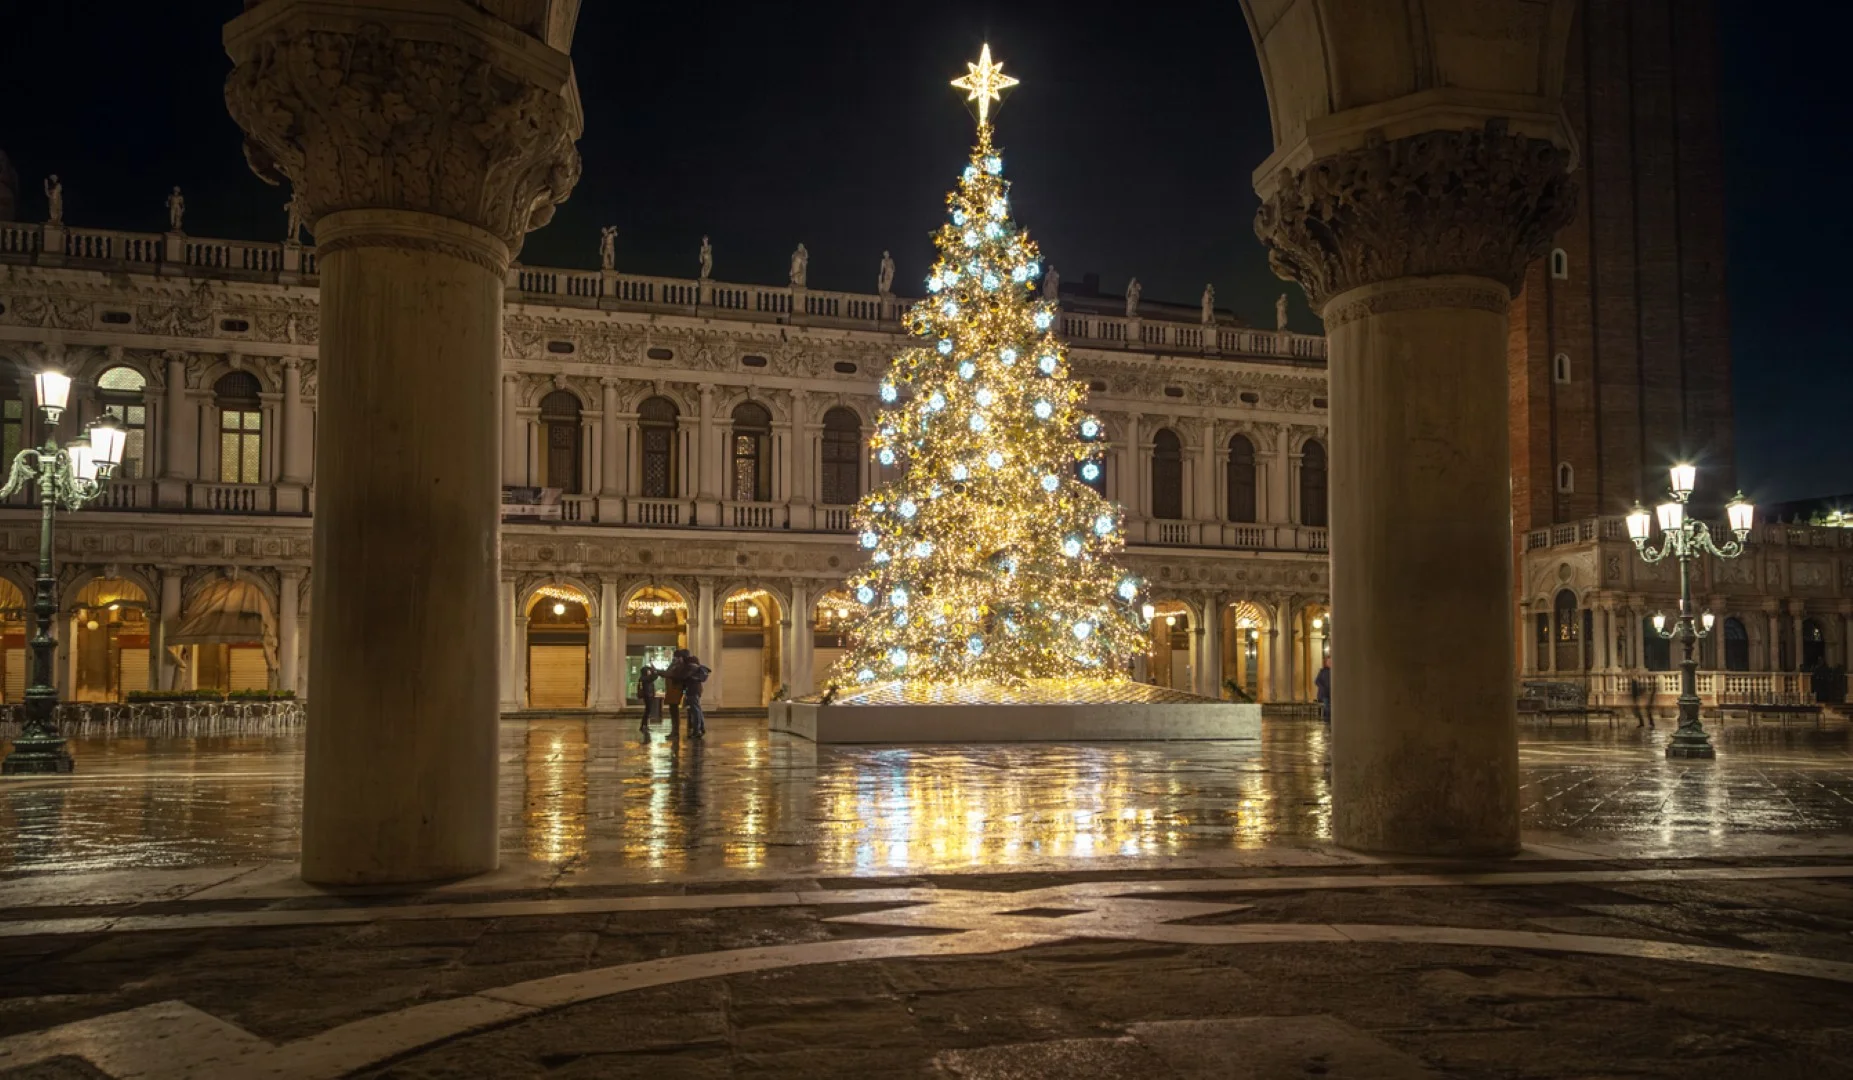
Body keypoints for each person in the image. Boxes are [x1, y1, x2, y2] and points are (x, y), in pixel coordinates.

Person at [680, 652, 711, 740]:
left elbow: (684, 677)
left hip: (692, 690)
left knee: (696, 711)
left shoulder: (690, 667)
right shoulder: (694, 667)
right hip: (696, 690)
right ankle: (700, 728)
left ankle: (697, 730)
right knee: (697, 709)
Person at [637, 663, 661, 738]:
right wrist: (653, 668)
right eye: (648, 671)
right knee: (647, 711)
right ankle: (643, 726)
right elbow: (655, 676)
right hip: (648, 696)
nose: (649, 672)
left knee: (647, 711)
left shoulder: (644, 678)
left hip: (648, 695)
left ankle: (644, 725)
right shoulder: (645, 678)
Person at [1314, 656, 1332, 724]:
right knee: (1327, 708)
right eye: (1329, 662)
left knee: (1331, 708)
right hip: (1324, 694)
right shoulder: (1322, 671)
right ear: (1326, 662)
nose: (1330, 663)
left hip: (1332, 693)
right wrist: (1323, 688)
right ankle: (1327, 722)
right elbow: (1317, 681)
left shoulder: (1335, 671)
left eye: (1331, 662)